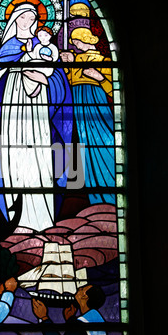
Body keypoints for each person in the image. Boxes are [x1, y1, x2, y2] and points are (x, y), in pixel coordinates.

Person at [0, 3, 73, 231]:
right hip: (13, 105)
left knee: (40, 156)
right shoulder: (9, 47)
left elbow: (58, 80)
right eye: (23, 17)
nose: (28, 22)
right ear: (14, 20)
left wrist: (44, 80)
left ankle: (43, 219)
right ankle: (18, 220)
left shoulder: (45, 47)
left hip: (38, 107)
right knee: (14, 154)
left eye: (32, 18)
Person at [61, 27, 115, 205]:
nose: (75, 45)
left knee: (100, 144)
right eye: (74, 43)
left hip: (95, 104)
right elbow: (69, 83)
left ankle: (110, 194)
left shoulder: (103, 60)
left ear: (87, 40)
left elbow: (113, 91)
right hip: (76, 105)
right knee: (83, 149)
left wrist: (100, 78)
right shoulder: (76, 59)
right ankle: (95, 199)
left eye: (77, 41)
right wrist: (68, 66)